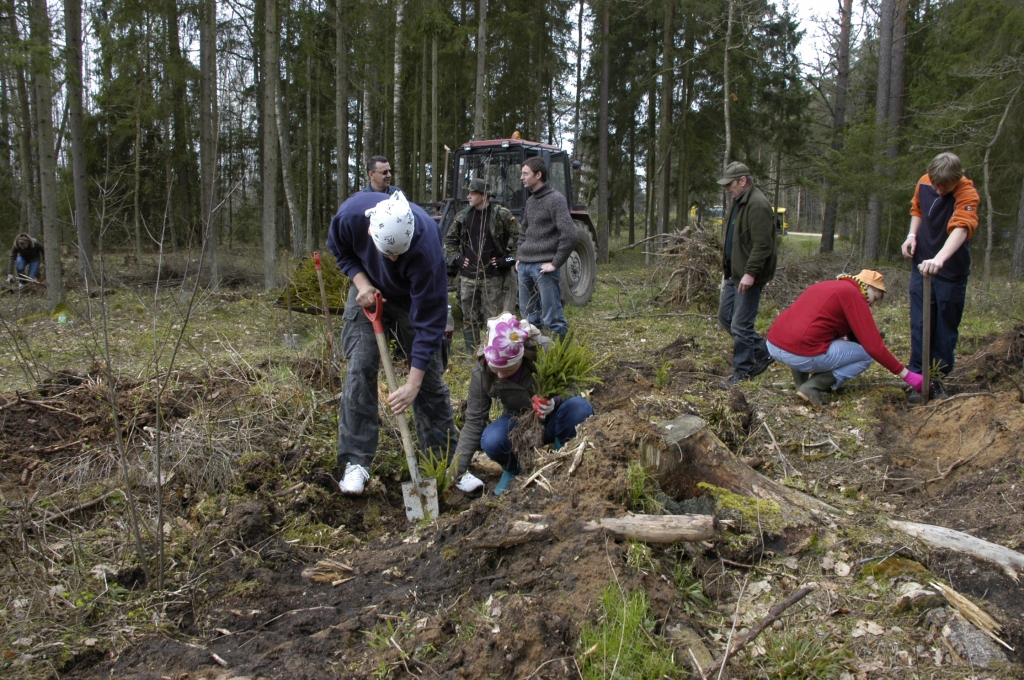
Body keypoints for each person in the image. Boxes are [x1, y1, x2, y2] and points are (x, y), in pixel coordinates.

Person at [326, 190, 458, 495]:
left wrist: (412, 384)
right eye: (389, 253)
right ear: (371, 232)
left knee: (430, 380)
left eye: (401, 252)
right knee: (360, 367)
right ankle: (355, 462)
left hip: (412, 299)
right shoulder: (350, 218)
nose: (395, 259)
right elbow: (341, 251)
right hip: (368, 294)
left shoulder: (428, 251)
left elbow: (429, 325)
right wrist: (362, 283)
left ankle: (444, 462)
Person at [453, 313, 594, 495]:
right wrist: (455, 471)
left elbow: (575, 384)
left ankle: (563, 462)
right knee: (492, 439)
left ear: (521, 357)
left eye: (508, 369)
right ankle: (514, 470)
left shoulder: (544, 350)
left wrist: (555, 400)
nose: (502, 375)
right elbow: (473, 423)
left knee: (578, 408)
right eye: (497, 370)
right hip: (520, 424)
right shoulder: (481, 371)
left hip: (557, 418)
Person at [766, 270, 923, 406]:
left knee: (806, 336)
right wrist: (908, 376)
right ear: (867, 286)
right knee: (866, 356)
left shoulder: (828, 285)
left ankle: (801, 385)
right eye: (874, 298)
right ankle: (812, 387)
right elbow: (874, 348)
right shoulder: (854, 294)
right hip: (799, 353)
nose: (871, 304)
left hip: (775, 345)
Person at [901, 152, 979, 402]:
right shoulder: (925, 181)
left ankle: (936, 380)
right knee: (920, 324)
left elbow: (962, 227)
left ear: (956, 180)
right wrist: (912, 235)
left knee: (945, 328)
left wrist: (941, 258)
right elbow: (917, 209)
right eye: (935, 184)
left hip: (950, 272)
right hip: (921, 264)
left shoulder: (966, 192)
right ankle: (916, 377)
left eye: (943, 186)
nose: (937, 189)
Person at [716, 161, 777, 388]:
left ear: (743, 181)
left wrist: (750, 273)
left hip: (748, 277)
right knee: (726, 318)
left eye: (729, 184)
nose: (726, 189)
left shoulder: (758, 204)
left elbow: (763, 245)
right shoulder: (740, 202)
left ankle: (744, 371)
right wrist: (728, 270)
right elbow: (734, 239)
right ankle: (764, 351)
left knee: (741, 325)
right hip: (735, 274)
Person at [443, 178, 519, 354]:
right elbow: (449, 240)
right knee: (469, 318)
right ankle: (473, 354)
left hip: (492, 276)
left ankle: (493, 352)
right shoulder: (463, 216)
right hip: (468, 276)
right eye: (468, 192)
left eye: (473, 193)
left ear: (484, 195)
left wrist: (507, 260)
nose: (468, 196)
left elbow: (519, 237)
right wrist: (457, 259)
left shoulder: (501, 214)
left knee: (493, 319)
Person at [516, 157, 577, 340]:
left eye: (525, 173)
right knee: (528, 319)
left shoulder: (555, 199)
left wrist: (556, 263)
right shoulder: (530, 201)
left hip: (543, 268)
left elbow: (570, 234)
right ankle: (538, 357)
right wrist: (520, 256)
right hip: (525, 266)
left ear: (538, 175)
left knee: (553, 319)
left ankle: (561, 359)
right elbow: (524, 231)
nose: (522, 177)